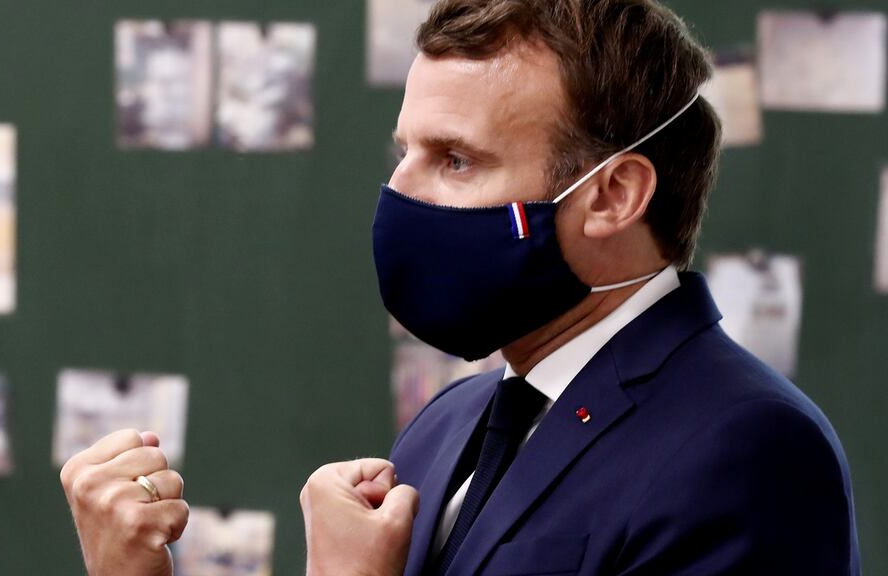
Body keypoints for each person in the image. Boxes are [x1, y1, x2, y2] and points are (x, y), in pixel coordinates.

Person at [62, 1, 861, 574]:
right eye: (404, 151)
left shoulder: (748, 450)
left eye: (455, 160)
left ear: (613, 195)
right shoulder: (451, 422)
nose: (400, 193)